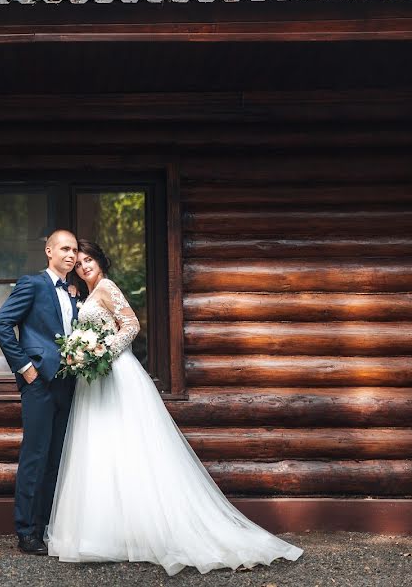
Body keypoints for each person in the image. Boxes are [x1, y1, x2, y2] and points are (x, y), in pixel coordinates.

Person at [46, 239, 303, 575]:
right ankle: (107, 532)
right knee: (102, 447)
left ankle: (144, 529)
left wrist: (103, 352)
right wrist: (85, 353)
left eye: (88, 260)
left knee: (129, 444)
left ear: (100, 262)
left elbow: (132, 325)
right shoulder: (85, 294)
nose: (84, 267)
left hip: (117, 372)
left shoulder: (107, 287)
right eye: (79, 264)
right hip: (95, 379)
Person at [0, 229, 80, 555]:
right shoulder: (33, 283)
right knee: (35, 457)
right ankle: (26, 532)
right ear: (49, 251)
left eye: (74, 250)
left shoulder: (74, 291)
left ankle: (44, 528)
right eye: (65, 249)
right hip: (39, 385)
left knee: (55, 459)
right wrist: (25, 367)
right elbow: (0, 323)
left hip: (67, 384)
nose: (71, 255)